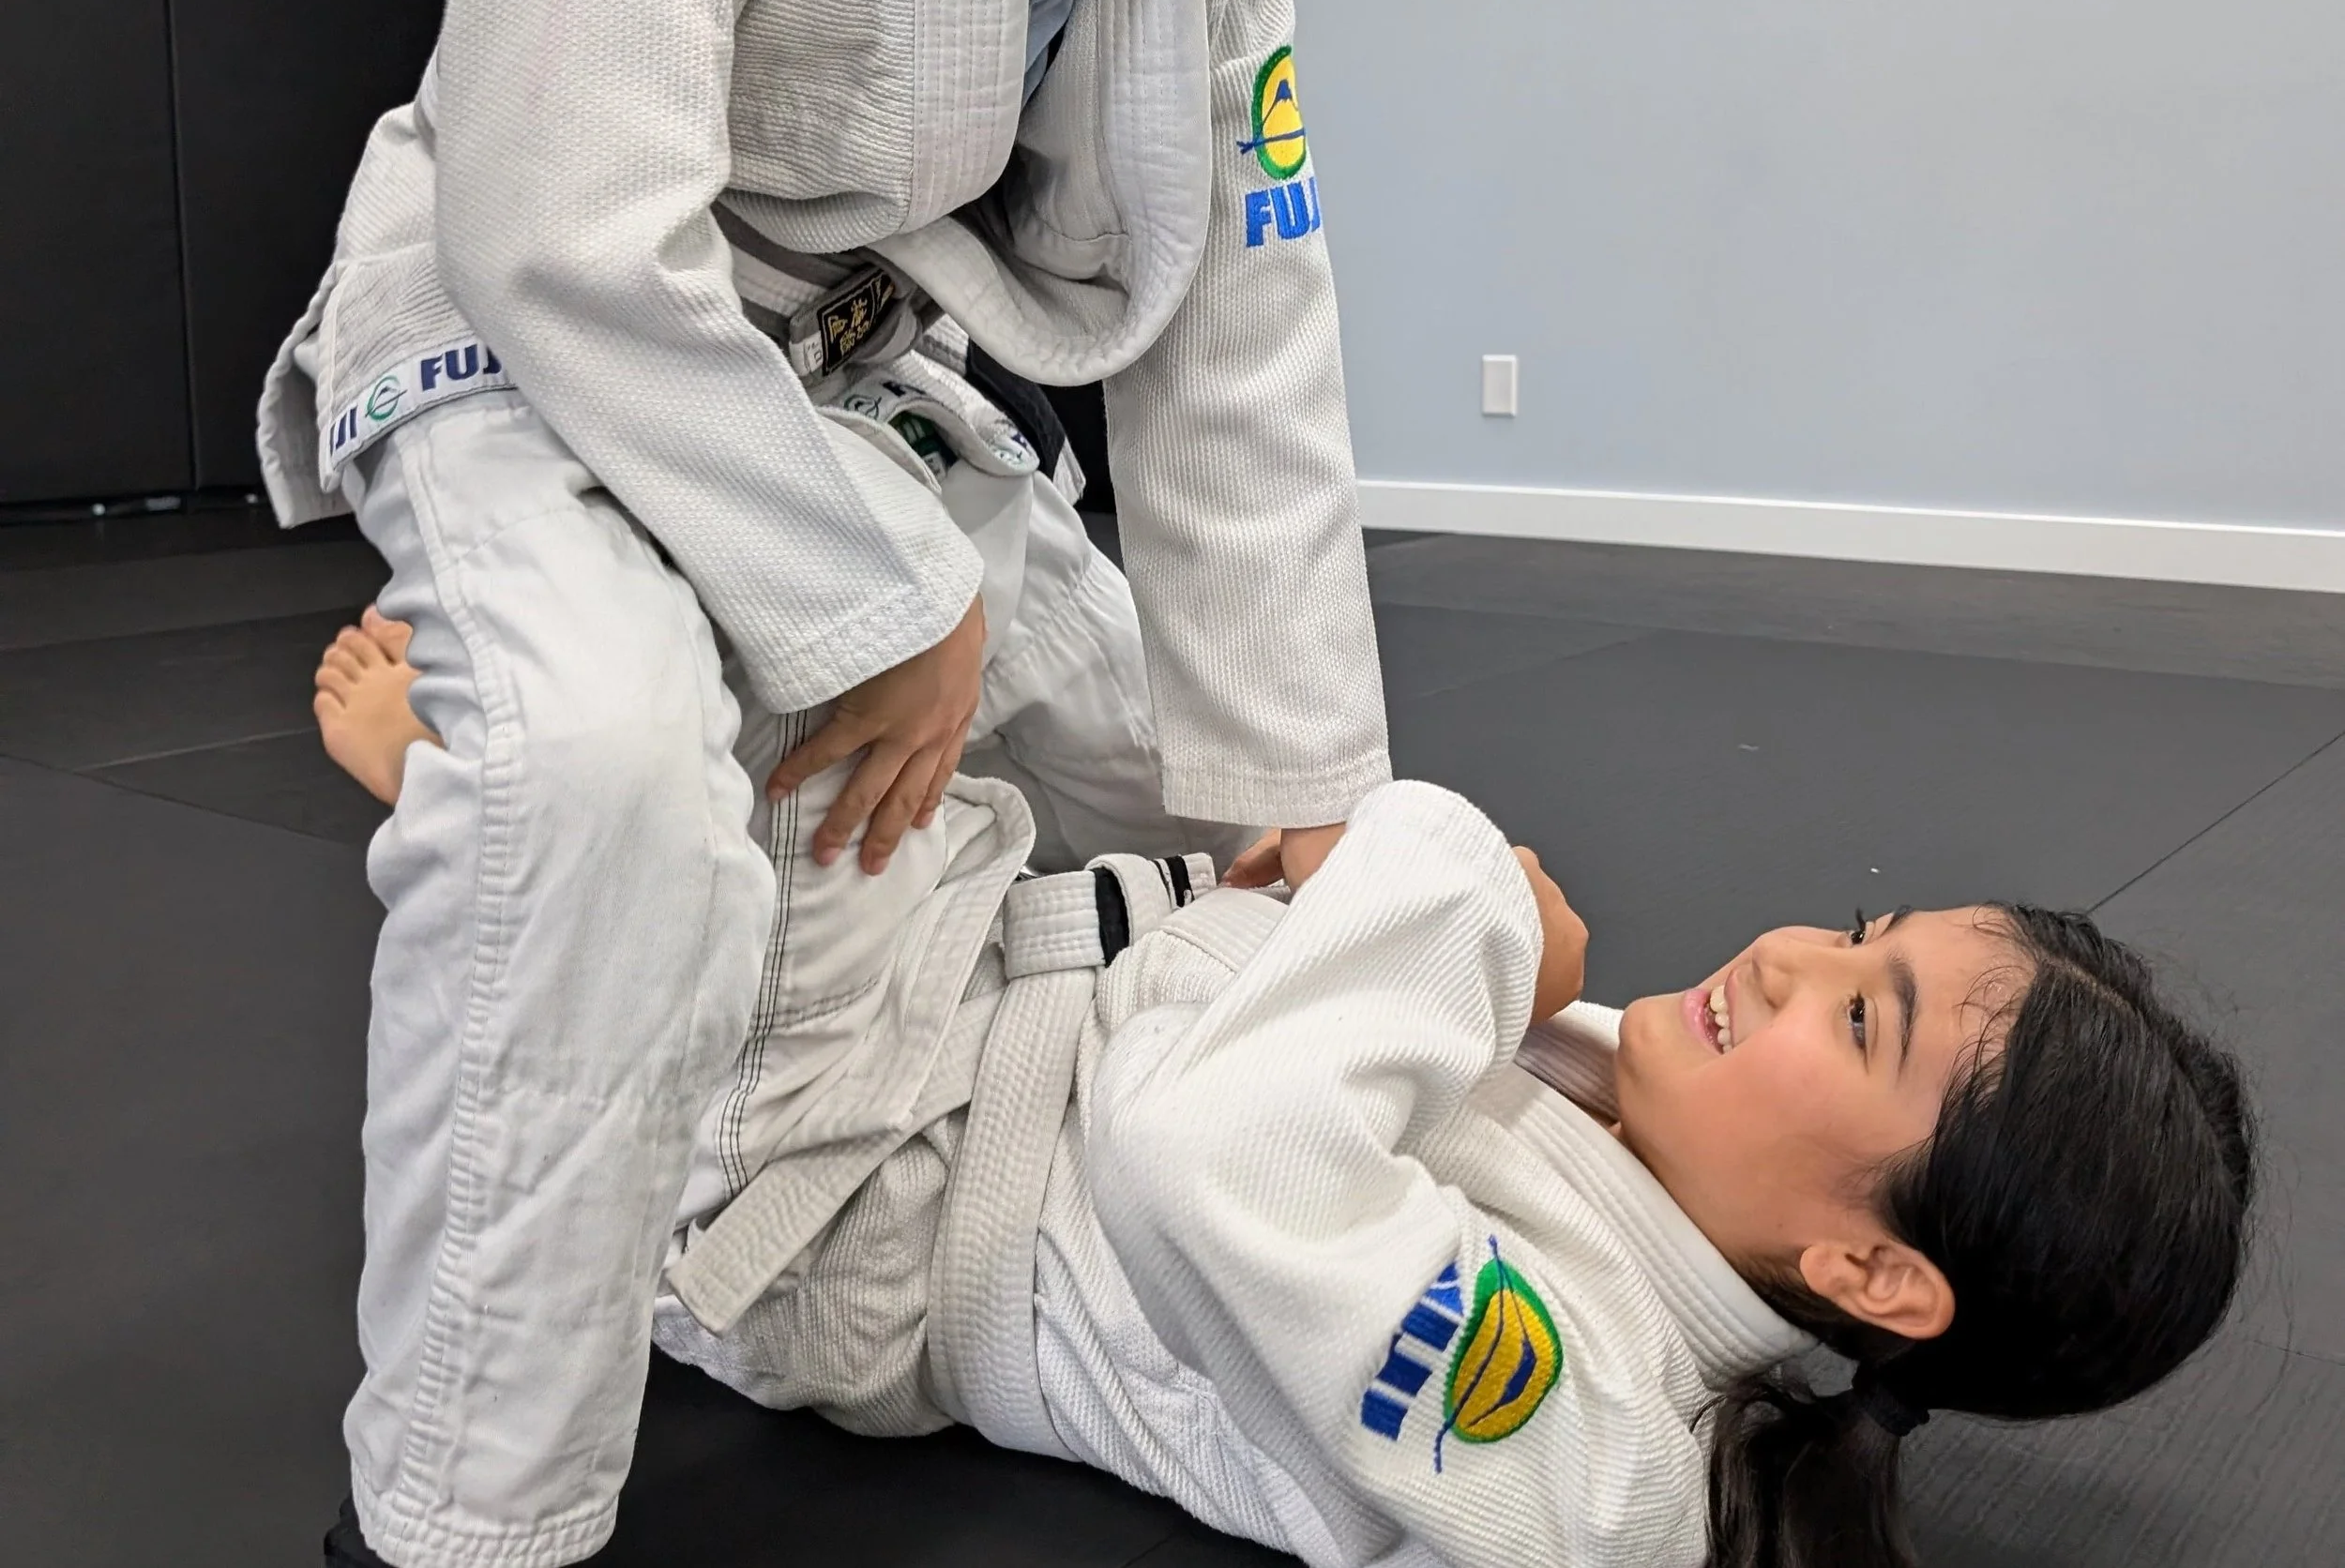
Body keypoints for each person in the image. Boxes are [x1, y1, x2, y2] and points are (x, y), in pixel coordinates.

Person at [264, 0, 1505, 1561]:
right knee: (618, 789)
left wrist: (1312, 794)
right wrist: (868, 600)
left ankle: (558, 822)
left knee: (1204, 787)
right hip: (530, 335)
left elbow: (1248, 318)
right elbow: (557, 217)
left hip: (838, 375)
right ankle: (447, 1509)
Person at [315, 631, 2259, 1568]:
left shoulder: (1591, 1462)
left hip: (849, 1203)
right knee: (990, 587)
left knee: (666, 751)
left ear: (1871, 1263)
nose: (1781, 957)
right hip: (1001, 1001)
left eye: (1861, 1018)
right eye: (1853, 938)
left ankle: (492, 831)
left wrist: (1463, 885)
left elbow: (1206, 1160)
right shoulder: (1631, 1133)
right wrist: (1263, 915)